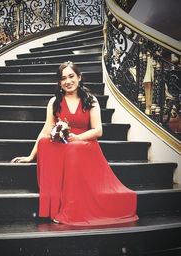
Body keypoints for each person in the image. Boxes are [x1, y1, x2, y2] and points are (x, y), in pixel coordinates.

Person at [11, 61, 139, 226]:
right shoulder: (54, 102)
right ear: (59, 82)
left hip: (84, 143)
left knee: (73, 148)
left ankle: (70, 210)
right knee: (45, 142)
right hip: (65, 144)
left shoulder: (90, 100)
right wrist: (30, 156)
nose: (68, 81)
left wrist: (78, 138)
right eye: (63, 78)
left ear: (79, 77)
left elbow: (98, 131)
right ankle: (54, 202)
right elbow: (46, 130)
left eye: (71, 76)